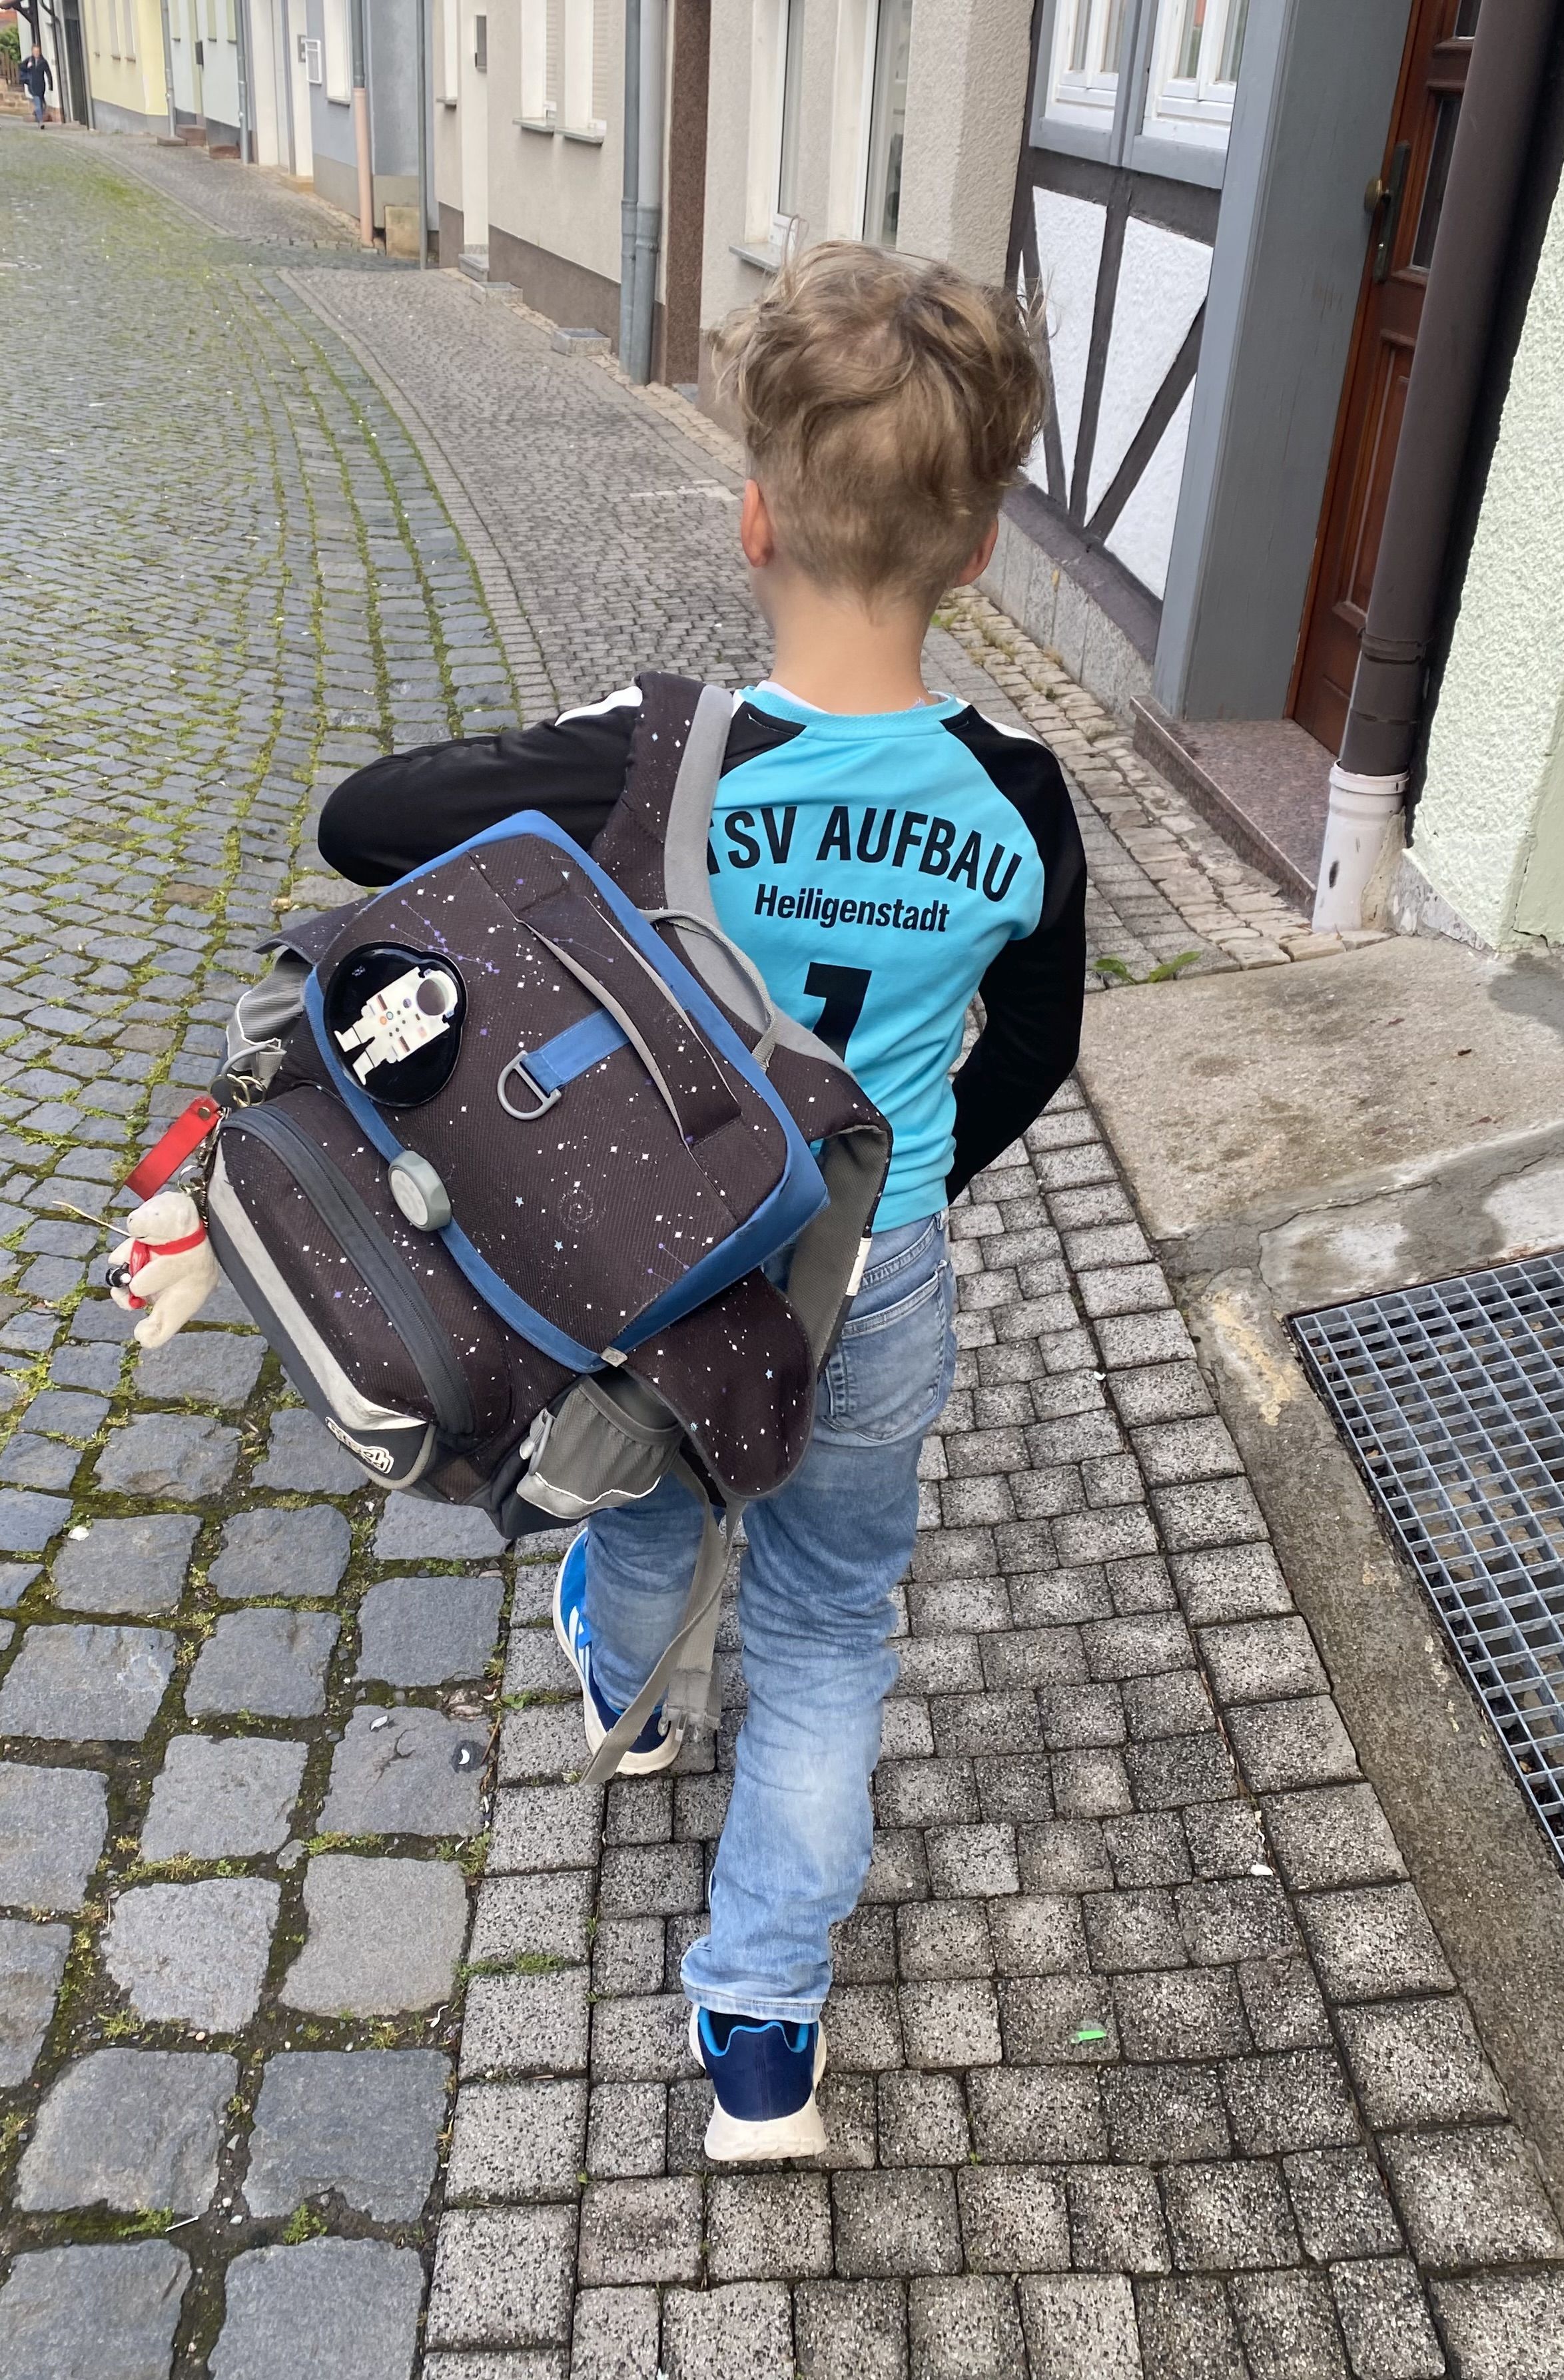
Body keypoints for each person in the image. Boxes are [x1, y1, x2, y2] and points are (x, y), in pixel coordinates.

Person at [318, 241, 1087, 2162]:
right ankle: (761, 2036)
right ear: (977, 551)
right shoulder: (1019, 796)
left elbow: (369, 819)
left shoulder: (662, 753)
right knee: (831, 1629)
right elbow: (1036, 1048)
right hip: (877, 1265)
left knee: (654, 1476)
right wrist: (899, 1179)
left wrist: (594, 750)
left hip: (657, 1254)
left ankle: (625, 1683)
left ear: (751, 515)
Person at [19, 43, 53, 125]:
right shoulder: (29, 60)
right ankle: (41, 122)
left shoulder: (43, 62)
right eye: (35, 51)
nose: (36, 53)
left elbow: (48, 73)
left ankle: (38, 116)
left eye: (38, 51)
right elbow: (21, 67)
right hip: (32, 85)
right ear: (32, 52)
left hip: (41, 85)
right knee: (38, 103)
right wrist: (28, 67)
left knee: (41, 104)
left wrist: (50, 84)